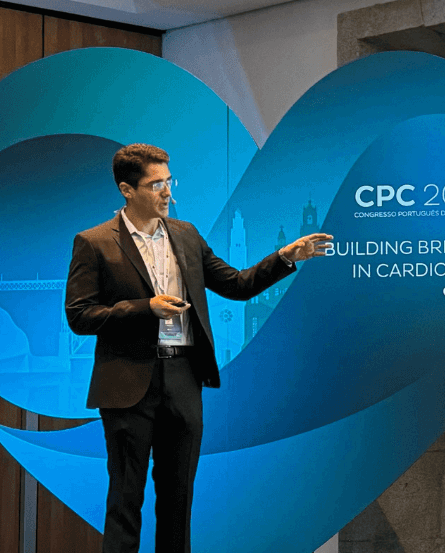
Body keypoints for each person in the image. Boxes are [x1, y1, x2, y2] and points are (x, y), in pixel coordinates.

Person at [65, 144, 332, 553]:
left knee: (178, 502)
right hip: (128, 385)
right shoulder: (94, 242)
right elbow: (80, 315)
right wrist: (145, 308)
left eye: (169, 181)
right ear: (126, 190)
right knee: (125, 500)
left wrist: (283, 257)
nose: (167, 192)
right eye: (156, 184)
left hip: (183, 380)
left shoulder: (186, 234)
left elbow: (237, 285)